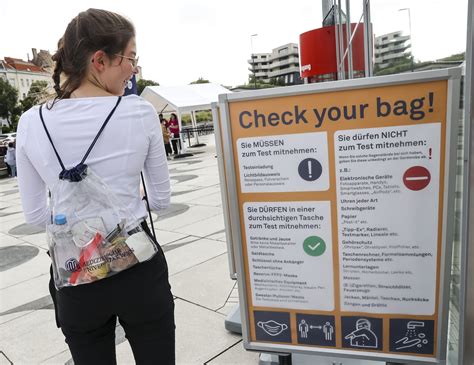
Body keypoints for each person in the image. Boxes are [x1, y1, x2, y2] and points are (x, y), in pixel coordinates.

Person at [15, 9, 175, 365]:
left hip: (75, 273)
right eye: (131, 58)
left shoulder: (30, 122)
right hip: (138, 267)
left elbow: (35, 214)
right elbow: (161, 200)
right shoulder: (139, 112)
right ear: (100, 60)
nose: (134, 68)